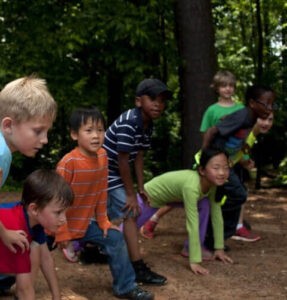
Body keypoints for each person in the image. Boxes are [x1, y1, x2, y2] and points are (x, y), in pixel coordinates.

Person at [54, 107, 154, 300]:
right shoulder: (68, 163)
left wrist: (103, 222)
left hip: (85, 223)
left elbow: (101, 193)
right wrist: (61, 232)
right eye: (89, 130)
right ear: (74, 134)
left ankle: (125, 286)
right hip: (56, 223)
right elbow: (57, 201)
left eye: (100, 130)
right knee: (31, 251)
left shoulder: (103, 157)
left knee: (115, 238)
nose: (96, 136)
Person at [140, 70, 244, 239]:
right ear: (217, 88)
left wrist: (243, 157)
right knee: (186, 194)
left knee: (232, 192)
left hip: (232, 159)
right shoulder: (212, 110)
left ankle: (236, 225)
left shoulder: (241, 109)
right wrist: (207, 157)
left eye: (231, 85)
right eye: (224, 85)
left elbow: (244, 135)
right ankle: (154, 218)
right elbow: (206, 133)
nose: (228, 89)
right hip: (211, 159)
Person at [103, 78, 171, 285]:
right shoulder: (129, 122)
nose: (158, 104)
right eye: (152, 99)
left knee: (120, 214)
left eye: (162, 100)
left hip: (117, 171)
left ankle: (94, 249)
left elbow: (138, 157)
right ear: (138, 101)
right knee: (129, 211)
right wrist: (130, 194)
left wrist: (141, 186)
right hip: (106, 171)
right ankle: (137, 266)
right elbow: (122, 161)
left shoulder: (147, 124)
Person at [0, 75, 59, 296]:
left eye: (46, 132)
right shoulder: (1, 154)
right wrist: (5, 234)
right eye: (37, 131)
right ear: (8, 125)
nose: (44, 140)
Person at [137, 147, 233, 275]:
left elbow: (217, 215)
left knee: (204, 204)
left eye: (226, 167)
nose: (222, 172)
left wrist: (219, 248)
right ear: (202, 170)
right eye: (216, 168)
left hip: (174, 197)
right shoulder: (192, 186)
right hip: (150, 196)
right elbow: (192, 223)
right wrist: (195, 261)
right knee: (128, 228)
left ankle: (191, 248)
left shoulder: (212, 185)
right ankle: (105, 248)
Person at [202, 84, 276, 249]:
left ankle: (213, 238)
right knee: (238, 194)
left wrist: (244, 158)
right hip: (215, 163)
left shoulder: (249, 119)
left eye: (272, 104)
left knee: (220, 199)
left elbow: (238, 140)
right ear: (252, 103)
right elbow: (211, 132)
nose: (269, 108)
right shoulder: (243, 116)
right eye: (266, 103)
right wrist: (205, 162)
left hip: (225, 164)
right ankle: (213, 237)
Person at [0, 169, 74, 300]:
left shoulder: (34, 222)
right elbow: (25, 290)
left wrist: (56, 296)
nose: (64, 219)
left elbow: (46, 258)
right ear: (34, 209)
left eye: (65, 213)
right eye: (58, 212)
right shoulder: (19, 231)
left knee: (35, 248)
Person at [231, 112, 274, 241]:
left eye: (270, 120)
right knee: (239, 193)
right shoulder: (244, 131)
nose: (266, 123)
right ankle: (233, 227)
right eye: (262, 119)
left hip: (227, 166)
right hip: (216, 166)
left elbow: (242, 150)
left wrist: (245, 160)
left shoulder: (251, 134)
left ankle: (236, 224)